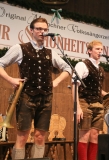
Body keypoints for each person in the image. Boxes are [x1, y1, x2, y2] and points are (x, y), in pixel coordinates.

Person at [0, 17, 72, 159]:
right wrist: (10, 79)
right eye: (39, 29)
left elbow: (68, 68)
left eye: (45, 29)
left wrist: (56, 81)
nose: (42, 32)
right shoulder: (20, 48)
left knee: (40, 136)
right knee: (23, 136)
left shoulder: (51, 53)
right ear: (31, 30)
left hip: (46, 98)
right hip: (26, 97)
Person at [72, 40, 107, 160]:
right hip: (84, 102)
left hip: (98, 104)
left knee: (95, 136)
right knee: (84, 135)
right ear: (89, 51)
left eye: (101, 49)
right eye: (97, 49)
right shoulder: (82, 65)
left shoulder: (101, 69)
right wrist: (77, 107)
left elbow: (98, 89)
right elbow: (74, 85)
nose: (100, 51)